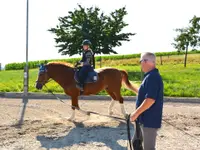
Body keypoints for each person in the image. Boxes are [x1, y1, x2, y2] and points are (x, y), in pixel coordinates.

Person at [130, 52, 164, 150]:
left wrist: (136, 113)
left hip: (149, 121)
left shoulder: (152, 77)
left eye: (141, 61)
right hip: (143, 119)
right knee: (136, 143)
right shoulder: (150, 76)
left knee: (148, 148)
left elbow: (150, 100)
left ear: (146, 61)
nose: (140, 64)